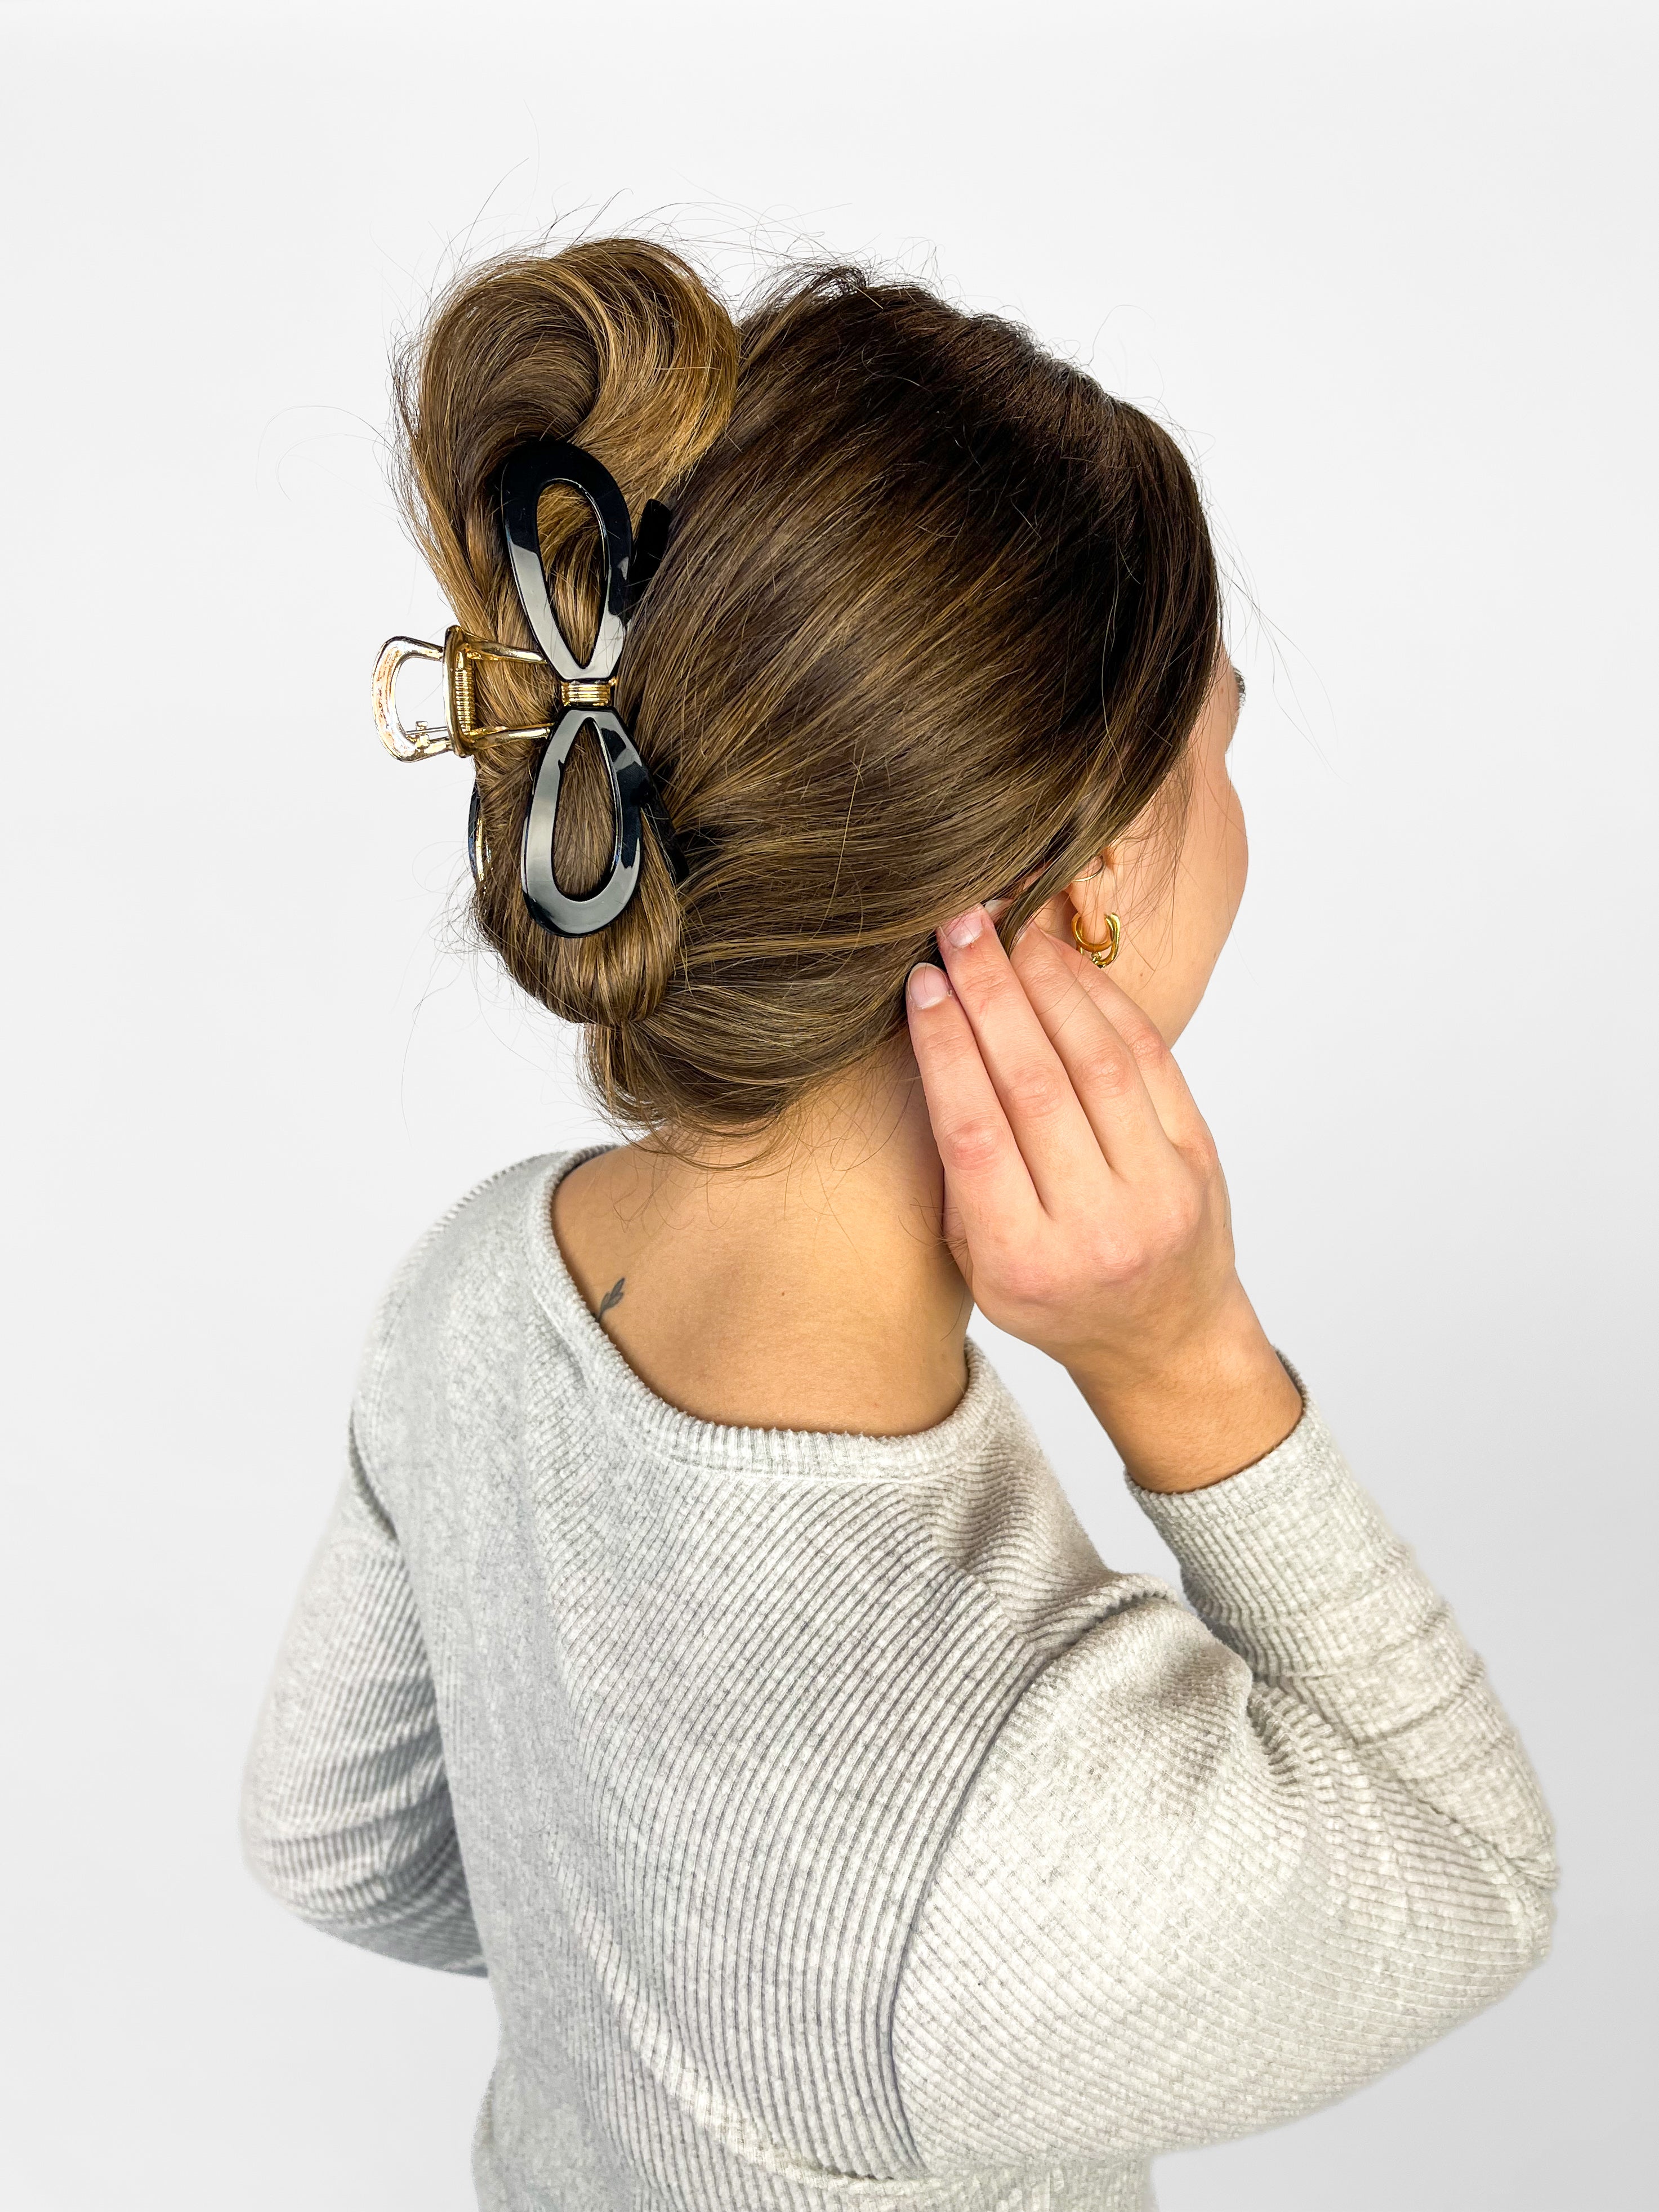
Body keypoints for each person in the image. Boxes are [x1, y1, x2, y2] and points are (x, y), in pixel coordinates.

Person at [242, 237, 1554, 2211]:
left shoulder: (479, 1288)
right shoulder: (1005, 1829)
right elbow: (1473, 1876)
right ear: (1099, 877)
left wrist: (663, 1985)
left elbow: (331, 1841)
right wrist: (1182, 1365)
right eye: (1216, 740)